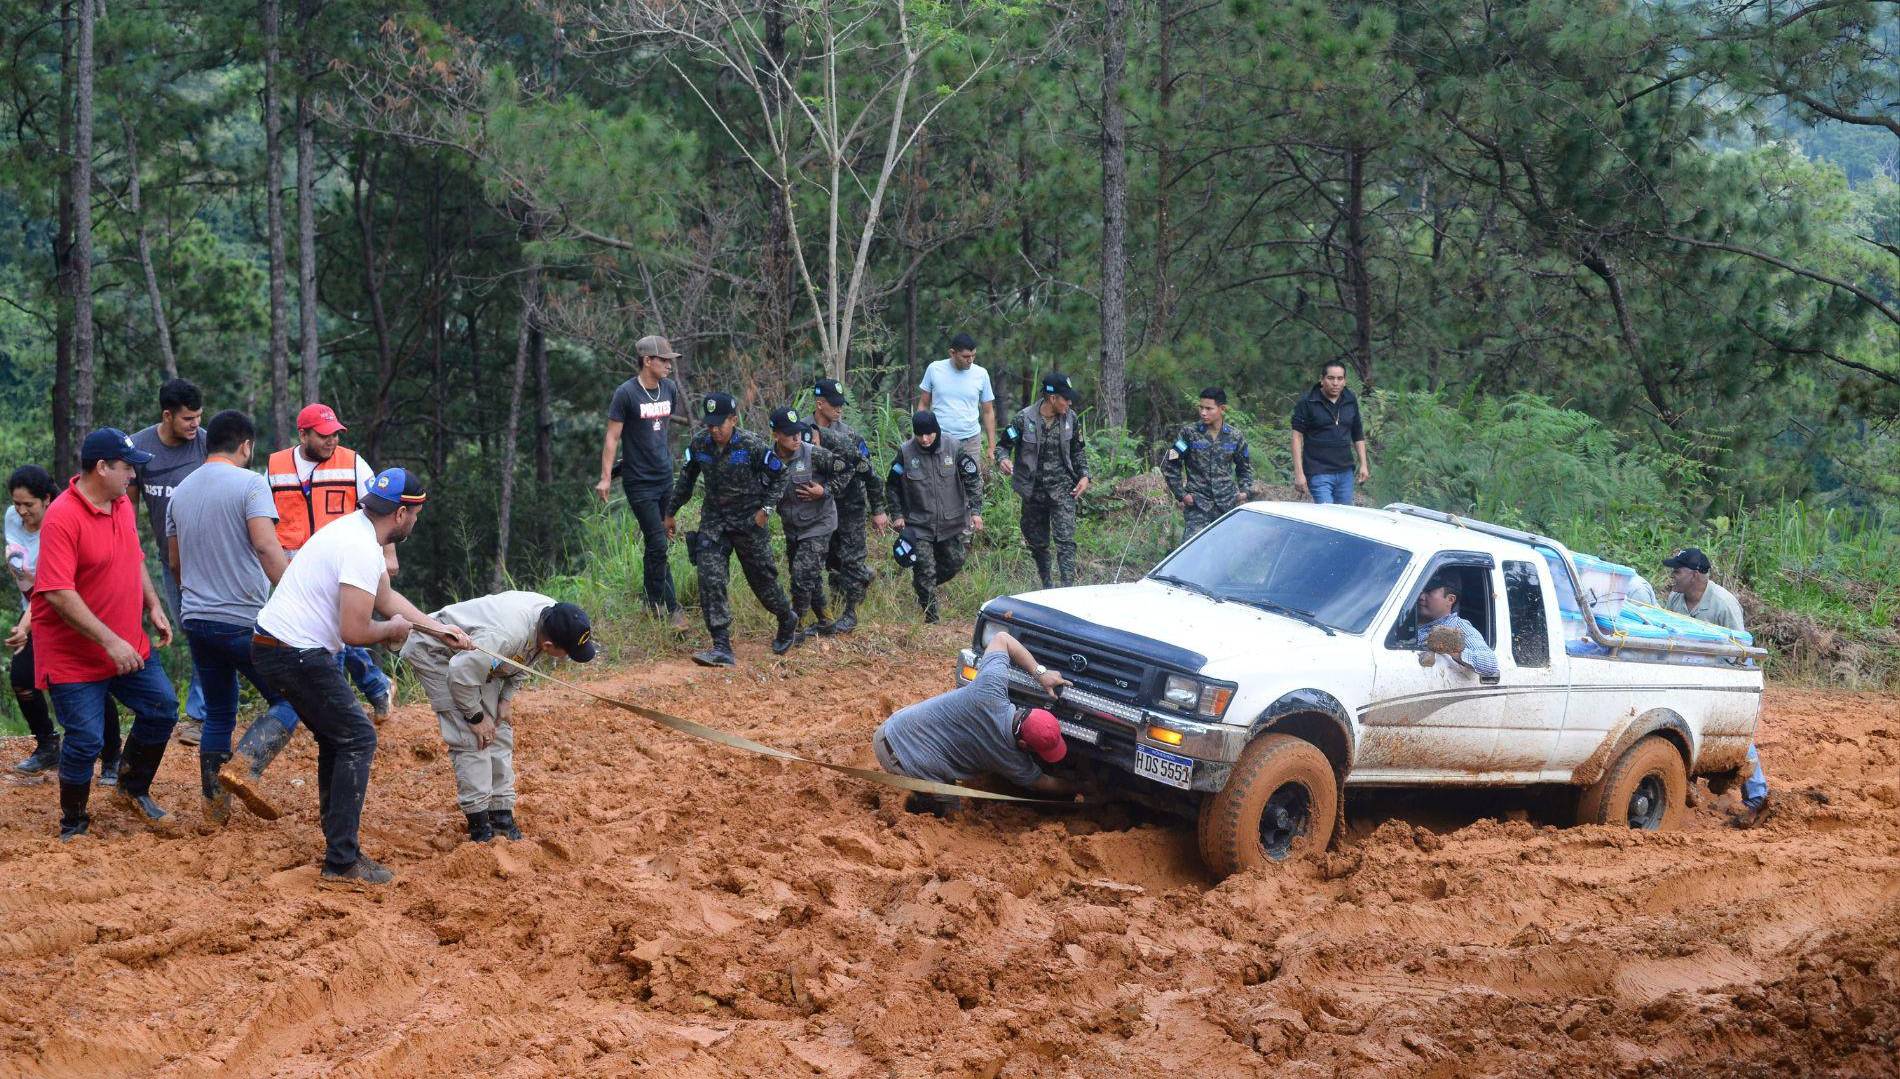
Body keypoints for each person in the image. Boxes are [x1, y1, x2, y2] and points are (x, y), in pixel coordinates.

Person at [249, 468, 472, 886]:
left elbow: (386, 598)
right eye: (417, 514)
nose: (417, 522)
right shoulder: (360, 549)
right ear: (402, 514)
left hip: (278, 647)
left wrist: (437, 629)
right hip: (291, 653)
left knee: (341, 736)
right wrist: (391, 631)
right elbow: (355, 631)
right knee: (357, 737)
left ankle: (340, 848)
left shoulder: (355, 529)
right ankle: (342, 862)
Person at [32, 429, 182, 839]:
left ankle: (133, 790)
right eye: (127, 467)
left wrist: (152, 605)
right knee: (85, 740)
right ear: (102, 468)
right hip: (75, 655)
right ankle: (74, 823)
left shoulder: (119, 504)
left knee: (163, 708)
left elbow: (132, 557)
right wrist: (109, 642)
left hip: (127, 643)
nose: (132, 475)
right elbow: (59, 594)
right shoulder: (62, 517)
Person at [164, 410, 302, 824]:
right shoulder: (251, 484)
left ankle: (213, 809)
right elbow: (265, 547)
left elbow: (174, 562)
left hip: (197, 618)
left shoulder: (180, 492)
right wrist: (295, 592)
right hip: (243, 618)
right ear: (246, 446)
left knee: (219, 712)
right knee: (291, 696)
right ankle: (245, 768)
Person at [399, 593, 596, 843]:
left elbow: (525, 659)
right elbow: (460, 674)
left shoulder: (552, 615)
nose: (567, 656)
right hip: (436, 651)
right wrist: (475, 716)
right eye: (567, 652)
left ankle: (501, 816)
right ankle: (480, 827)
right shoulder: (506, 635)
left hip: (477, 657)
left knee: (499, 730)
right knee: (473, 738)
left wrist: (506, 699)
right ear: (550, 646)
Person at [265, 403, 395, 720]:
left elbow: (384, 507)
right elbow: (262, 519)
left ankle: (335, 711)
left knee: (334, 640)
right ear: (303, 434)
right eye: (324, 435)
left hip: (343, 568)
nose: (332, 441)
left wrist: (388, 554)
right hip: (296, 573)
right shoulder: (275, 467)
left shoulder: (352, 463)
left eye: (336, 434)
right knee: (331, 634)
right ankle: (376, 687)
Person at [873, 628, 1076, 815]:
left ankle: (917, 787)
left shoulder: (991, 688)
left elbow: (1002, 638)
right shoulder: (1008, 757)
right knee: (951, 813)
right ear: (1023, 744)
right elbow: (1041, 782)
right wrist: (1079, 787)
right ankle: (913, 805)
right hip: (904, 761)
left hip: (890, 730)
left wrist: (1041, 673)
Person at [666, 392, 802, 667]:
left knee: (762, 582)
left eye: (720, 424)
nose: (715, 430)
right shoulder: (700, 445)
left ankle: (787, 618)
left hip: (749, 524)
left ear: (733, 420)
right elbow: (686, 481)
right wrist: (670, 512)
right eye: (710, 424)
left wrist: (765, 511)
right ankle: (721, 646)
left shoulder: (751, 445)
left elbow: (780, 475)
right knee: (710, 579)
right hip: (714, 524)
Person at [10, 465, 125, 777]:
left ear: (47, 499)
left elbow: (54, 589)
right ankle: (48, 745)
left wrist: (24, 624)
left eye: (28, 505)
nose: (21, 511)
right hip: (38, 613)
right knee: (22, 677)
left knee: (92, 684)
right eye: (16, 504)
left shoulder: (62, 522)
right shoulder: (12, 519)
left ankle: (112, 756)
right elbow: (23, 574)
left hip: (76, 612)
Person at [1663, 546, 1768, 825]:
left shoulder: (1723, 603)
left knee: (1734, 732)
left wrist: (1735, 692)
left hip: (1721, 679)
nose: (1673, 575)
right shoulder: (1675, 600)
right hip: (1687, 679)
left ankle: (1757, 799)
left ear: (1695, 574)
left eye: (1678, 570)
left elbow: (1740, 650)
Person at [131, 377, 210, 745]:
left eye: (198, 417)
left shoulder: (206, 444)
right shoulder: (140, 447)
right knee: (189, 630)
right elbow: (124, 505)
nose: (195, 425)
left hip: (210, 560)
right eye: (188, 419)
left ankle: (199, 714)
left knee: (204, 631)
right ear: (167, 415)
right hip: (170, 560)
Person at [597, 335, 689, 630]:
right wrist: (606, 477)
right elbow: (612, 437)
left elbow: (660, 431)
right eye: (664, 361)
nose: (668, 366)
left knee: (659, 542)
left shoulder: (670, 390)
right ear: (647, 360)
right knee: (658, 542)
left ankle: (652, 603)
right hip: (639, 482)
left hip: (665, 477)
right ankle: (672, 609)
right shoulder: (626, 394)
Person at [886, 411, 983, 623]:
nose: (925, 439)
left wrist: (976, 512)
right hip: (919, 524)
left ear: (936, 430)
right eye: (920, 435)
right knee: (925, 570)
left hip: (951, 522)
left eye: (929, 434)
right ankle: (932, 619)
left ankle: (922, 585)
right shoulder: (905, 453)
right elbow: (892, 485)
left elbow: (973, 480)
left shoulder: (954, 447)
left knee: (954, 562)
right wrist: (897, 515)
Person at [807, 378, 887, 634]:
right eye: (835, 405)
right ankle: (844, 595)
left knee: (851, 559)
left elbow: (871, 475)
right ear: (820, 404)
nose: (840, 409)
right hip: (817, 507)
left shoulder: (850, 435)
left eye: (842, 404)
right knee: (832, 561)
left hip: (849, 505)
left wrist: (878, 510)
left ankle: (850, 612)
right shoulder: (801, 432)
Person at [996, 372, 1090, 589]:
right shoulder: (1023, 419)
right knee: (1037, 544)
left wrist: (1084, 476)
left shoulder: (1071, 419)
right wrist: (1002, 460)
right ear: (1052, 398)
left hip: (1063, 489)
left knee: (1066, 542)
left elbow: (1078, 451)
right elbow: (1003, 446)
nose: (1069, 402)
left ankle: (1067, 590)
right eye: (1065, 398)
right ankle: (1047, 586)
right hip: (1033, 492)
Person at [768, 406, 850, 637]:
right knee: (808, 575)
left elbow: (845, 469)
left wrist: (824, 490)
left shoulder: (812, 453)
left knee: (802, 575)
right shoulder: (768, 459)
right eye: (789, 433)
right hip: (793, 528)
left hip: (820, 523)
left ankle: (795, 627)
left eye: (798, 432)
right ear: (776, 435)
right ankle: (826, 620)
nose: (796, 437)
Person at [1162, 387, 1254, 540]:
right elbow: (1171, 464)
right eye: (1201, 407)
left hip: (1227, 505)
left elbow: (1244, 468)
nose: (1203, 412)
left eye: (1209, 408)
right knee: (1193, 550)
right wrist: (1182, 495)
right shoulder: (1189, 434)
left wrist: (1245, 491)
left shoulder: (1235, 436)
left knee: (1226, 551)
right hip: (1198, 505)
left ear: (1222, 409)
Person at [1290, 360, 1370, 505]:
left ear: (1345, 381)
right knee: (1327, 516)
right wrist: (1299, 474)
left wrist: (1363, 464)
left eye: (1340, 379)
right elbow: (1296, 437)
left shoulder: (1350, 400)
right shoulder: (1308, 402)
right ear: (1322, 380)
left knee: (1344, 518)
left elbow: (1357, 433)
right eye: (1331, 378)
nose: (1335, 383)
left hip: (1345, 471)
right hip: (1318, 472)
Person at [917, 332, 998, 465]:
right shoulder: (934, 369)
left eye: (973, 355)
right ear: (952, 353)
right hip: (940, 438)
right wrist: (920, 433)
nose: (970, 360)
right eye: (966, 356)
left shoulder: (981, 374)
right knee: (941, 481)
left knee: (971, 483)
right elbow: (923, 404)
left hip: (970, 440)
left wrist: (991, 446)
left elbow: (988, 411)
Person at [1413, 575, 1500, 679]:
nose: (1421, 597)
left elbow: (1490, 664)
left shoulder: (1459, 627)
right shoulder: (1405, 621)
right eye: (1420, 590)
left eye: (1429, 592)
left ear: (1450, 599)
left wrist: (1452, 649)